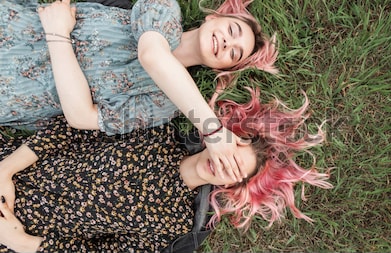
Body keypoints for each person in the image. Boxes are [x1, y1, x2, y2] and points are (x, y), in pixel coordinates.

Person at [0, 87, 332, 253]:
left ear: (236, 187)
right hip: (12, 164)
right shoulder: (157, 128)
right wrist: (6, 170)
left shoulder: (175, 226)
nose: (223, 161)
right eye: (233, 149)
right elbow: (74, 128)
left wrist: (19, 241)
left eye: (234, 169)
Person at [0, 0, 278, 182]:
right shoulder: (164, 10)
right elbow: (152, 55)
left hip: (13, 93)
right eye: (232, 29)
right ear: (214, 17)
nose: (228, 42)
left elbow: (80, 117)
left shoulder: (165, 105)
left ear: (223, 69)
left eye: (234, 53)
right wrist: (212, 130)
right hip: (13, 28)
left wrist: (58, 36)